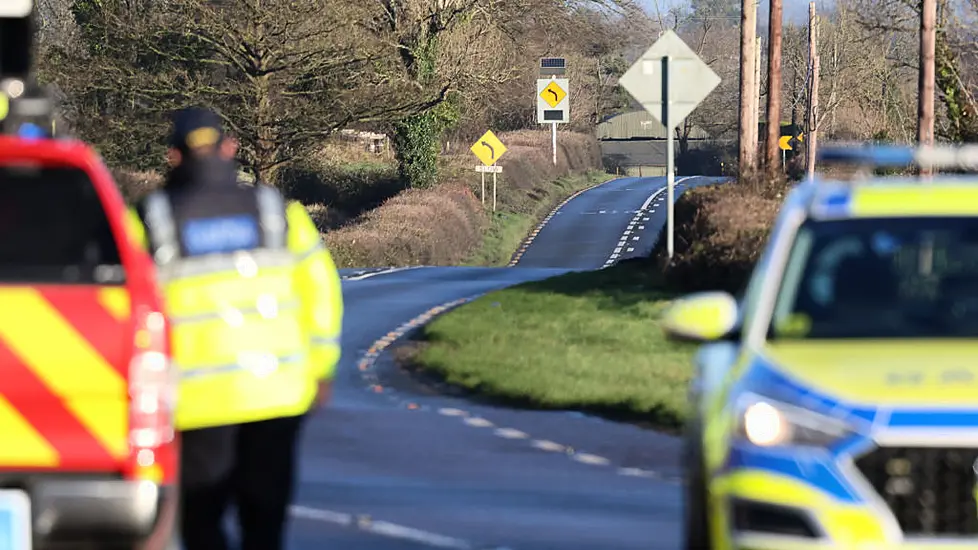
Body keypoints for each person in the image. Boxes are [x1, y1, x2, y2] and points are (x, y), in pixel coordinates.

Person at [125, 107, 344, 550]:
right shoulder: (277, 213)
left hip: (196, 404)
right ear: (230, 149)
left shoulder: (149, 222)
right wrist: (321, 367)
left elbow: (123, 305)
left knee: (202, 522)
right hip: (276, 396)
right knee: (264, 523)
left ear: (173, 156)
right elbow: (320, 291)